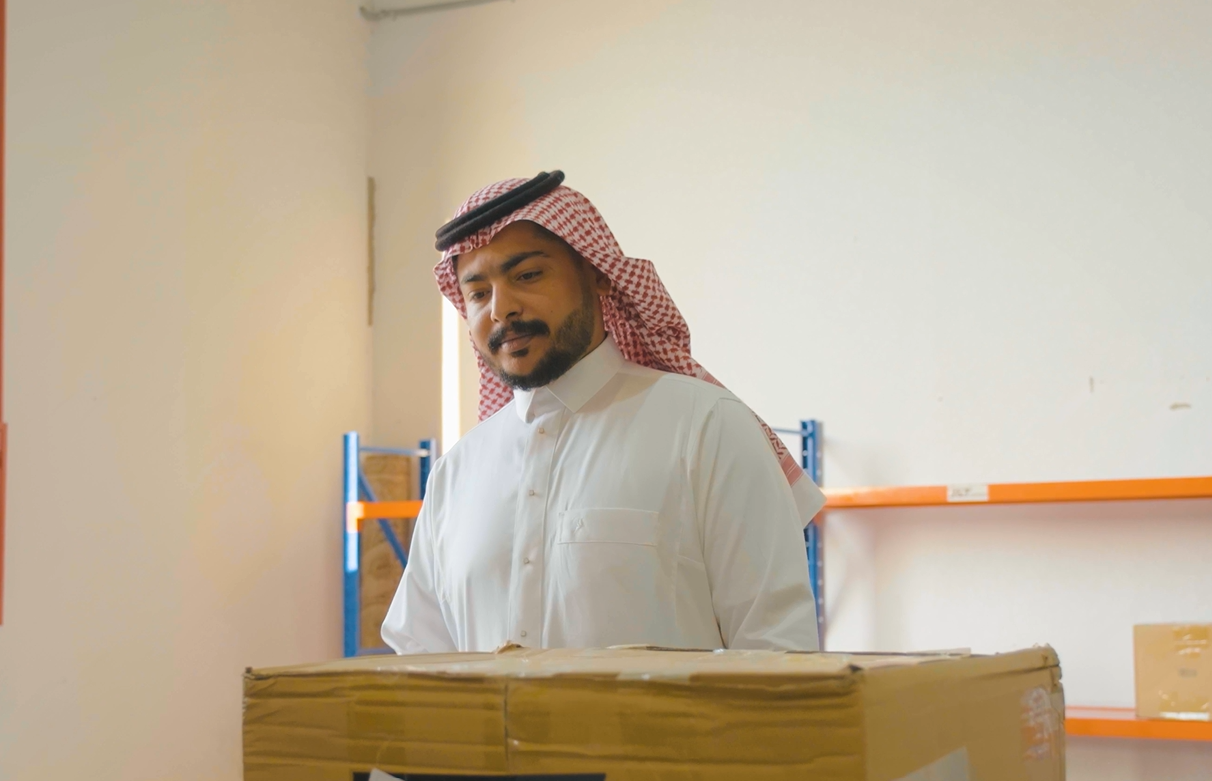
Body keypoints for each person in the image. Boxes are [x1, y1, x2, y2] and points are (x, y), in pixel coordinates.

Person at [382, 171, 825, 654]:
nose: (501, 309)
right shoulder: (455, 474)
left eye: (527, 276)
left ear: (597, 274)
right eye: (478, 293)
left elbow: (777, 651)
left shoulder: (706, 426)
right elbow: (420, 659)